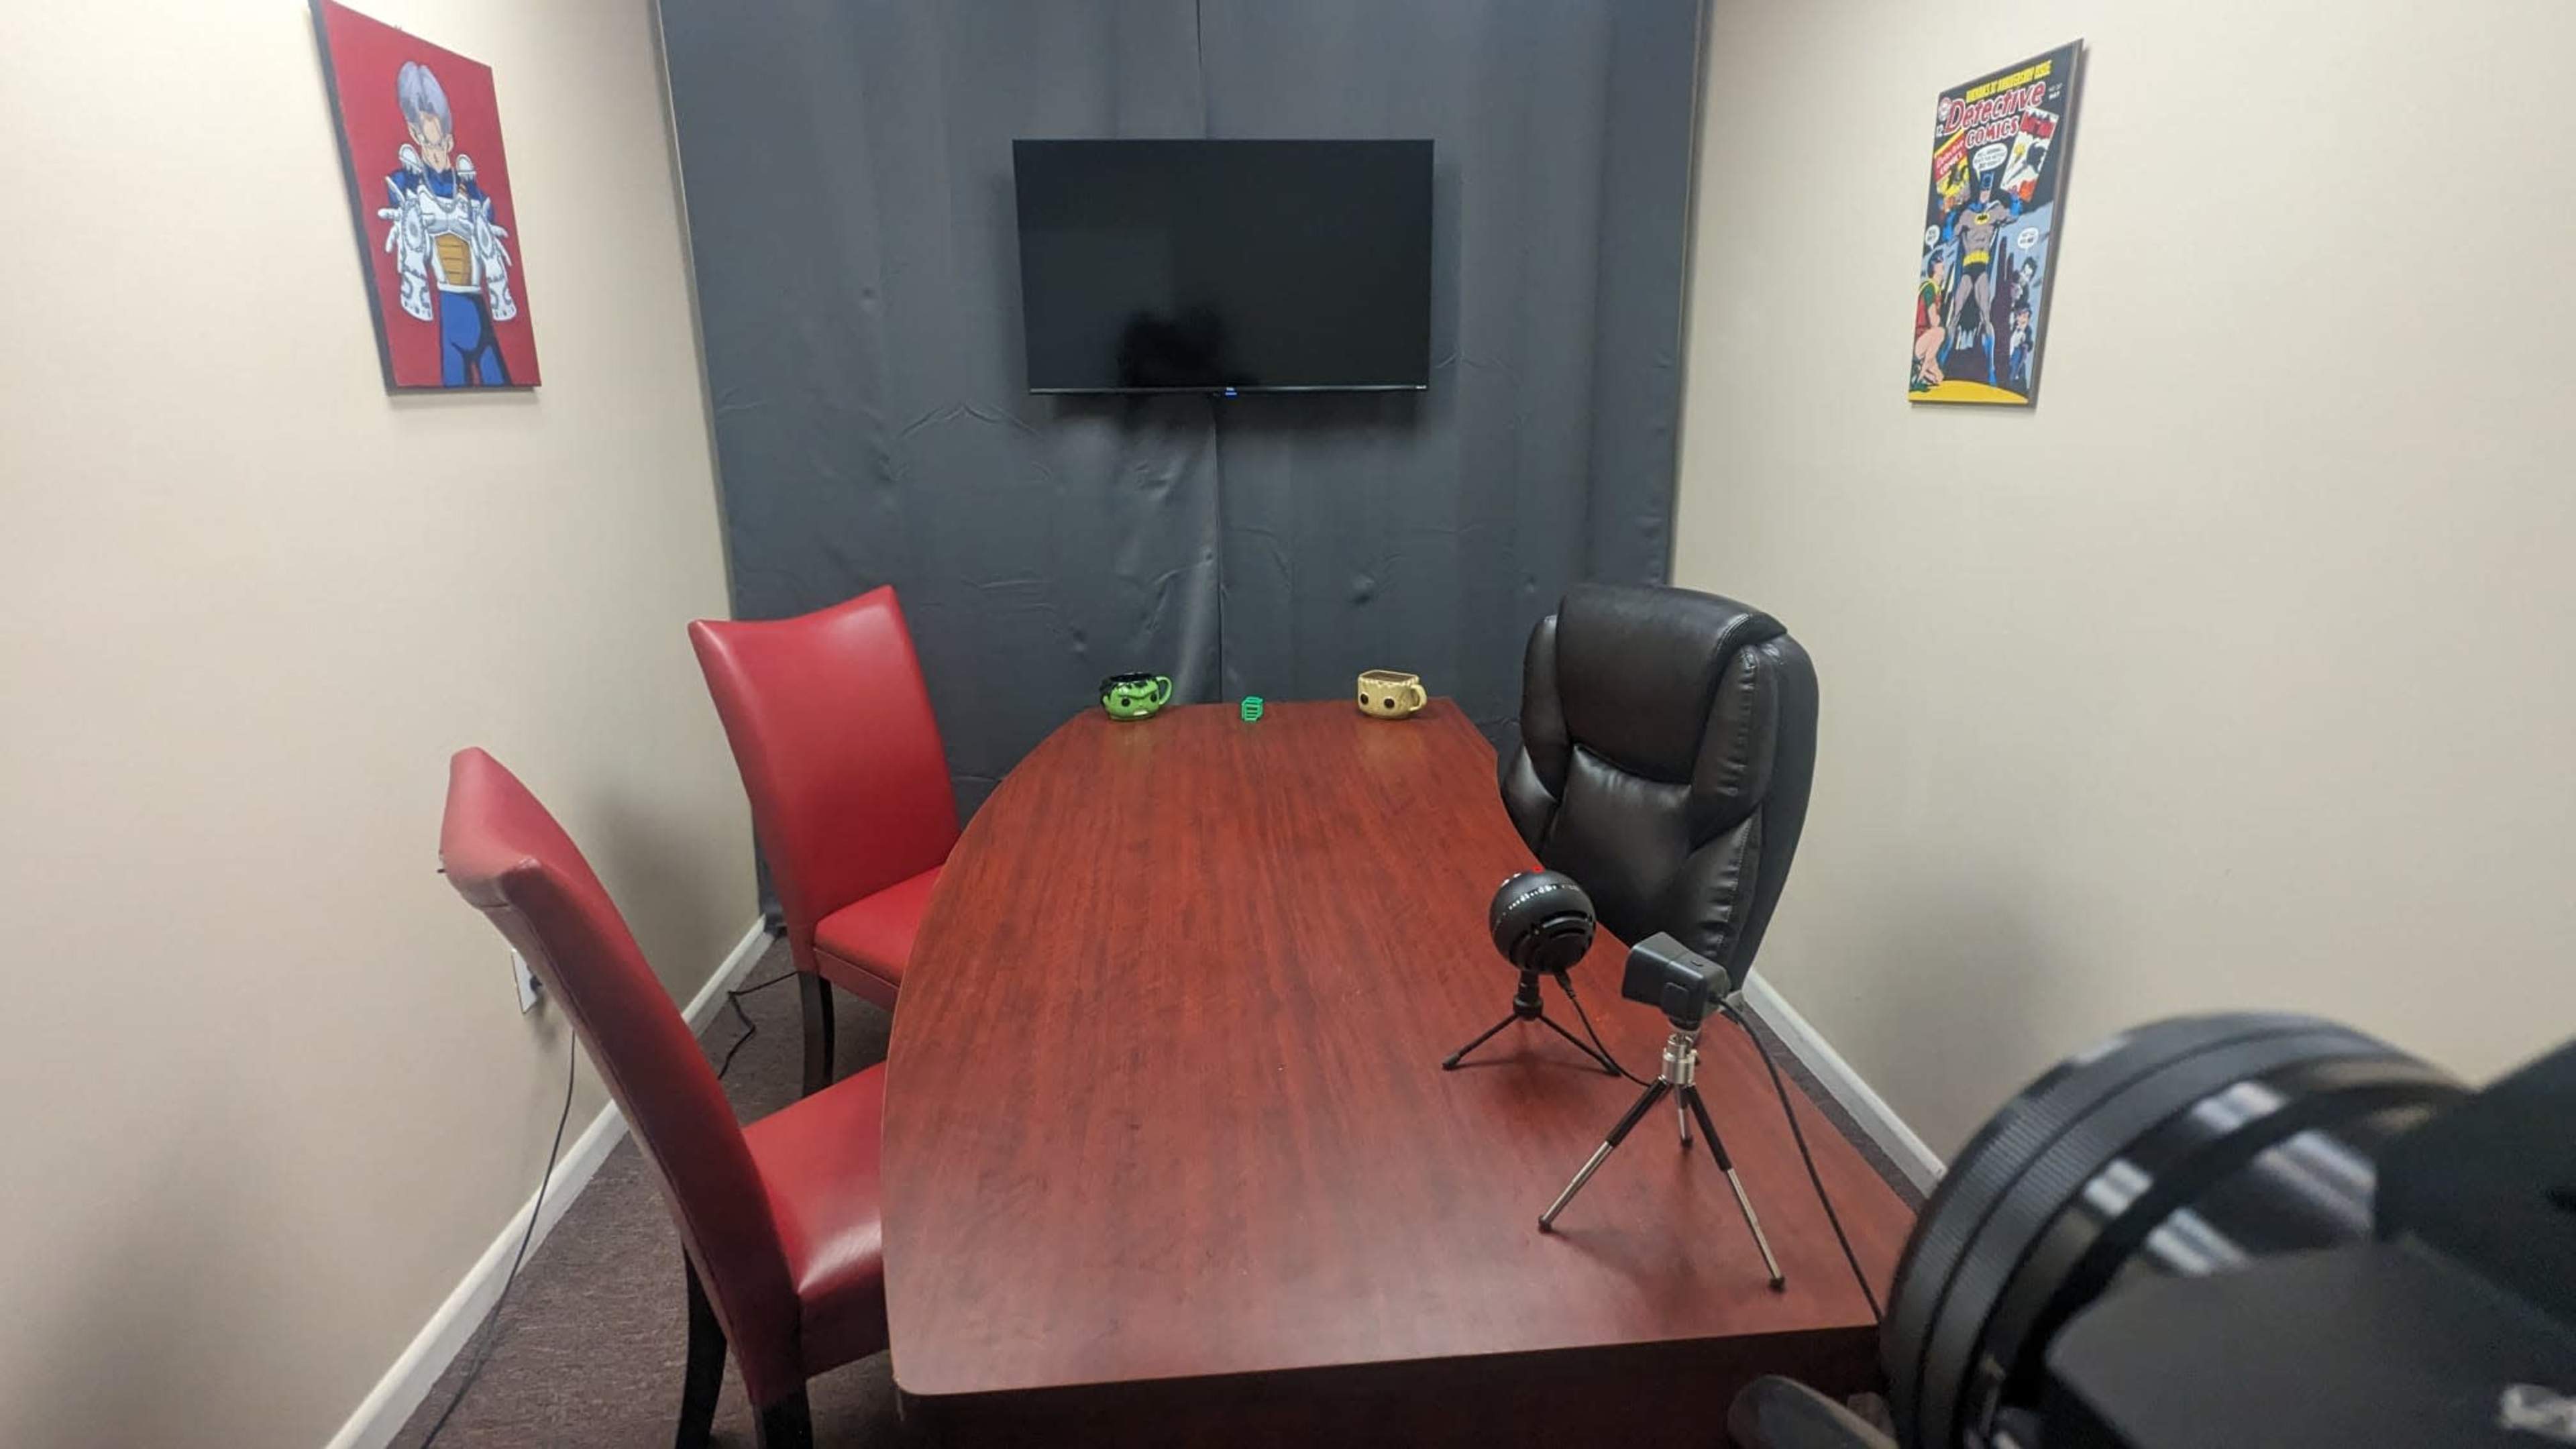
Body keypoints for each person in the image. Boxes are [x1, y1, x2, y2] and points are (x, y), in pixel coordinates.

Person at [378, 60, 518, 386]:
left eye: (441, 144)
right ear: (415, 136)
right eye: (429, 143)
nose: (438, 153)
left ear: (450, 142)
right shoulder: (407, 184)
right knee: (454, 378)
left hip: (477, 304)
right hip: (449, 303)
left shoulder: (473, 194)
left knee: (495, 374)